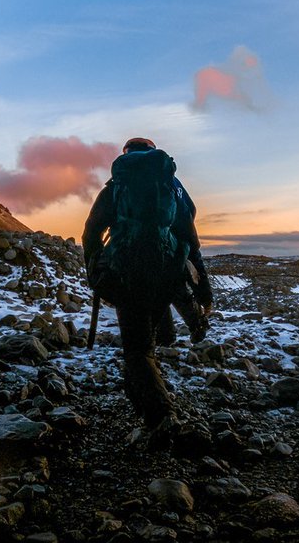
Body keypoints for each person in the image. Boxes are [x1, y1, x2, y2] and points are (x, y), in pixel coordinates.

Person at [82, 137, 213, 429]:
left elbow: (91, 231)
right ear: (154, 153)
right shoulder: (170, 185)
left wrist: (96, 271)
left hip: (125, 273)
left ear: (125, 155)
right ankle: (140, 397)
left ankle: (159, 415)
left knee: (137, 349)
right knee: (146, 343)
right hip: (166, 270)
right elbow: (190, 237)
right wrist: (204, 291)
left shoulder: (116, 186)